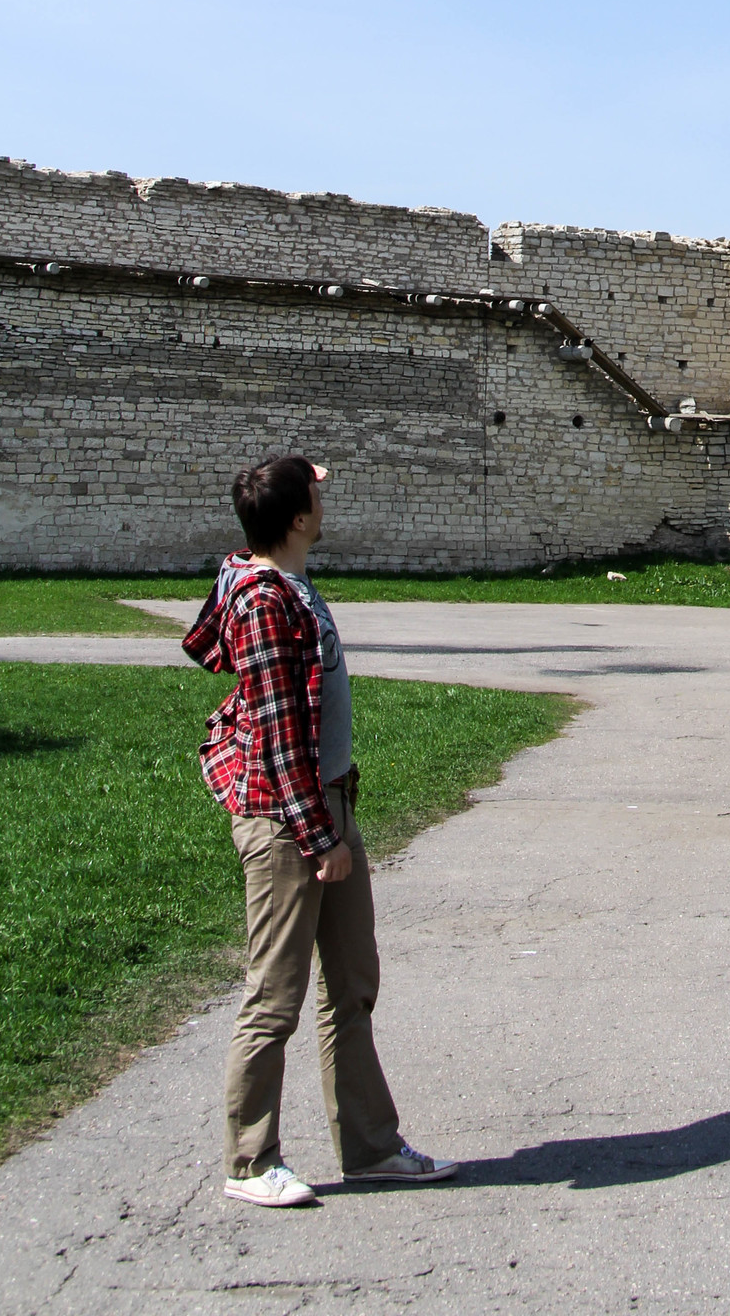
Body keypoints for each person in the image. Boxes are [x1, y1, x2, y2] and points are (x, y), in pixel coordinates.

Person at [184, 454, 458, 1208]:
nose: (322, 502)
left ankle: (370, 1148)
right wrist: (319, 839)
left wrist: (295, 470)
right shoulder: (267, 600)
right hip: (287, 818)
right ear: (299, 520)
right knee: (275, 995)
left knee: (353, 987)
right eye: (313, 495)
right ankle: (250, 1160)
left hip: (328, 804)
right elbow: (276, 734)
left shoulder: (275, 572)